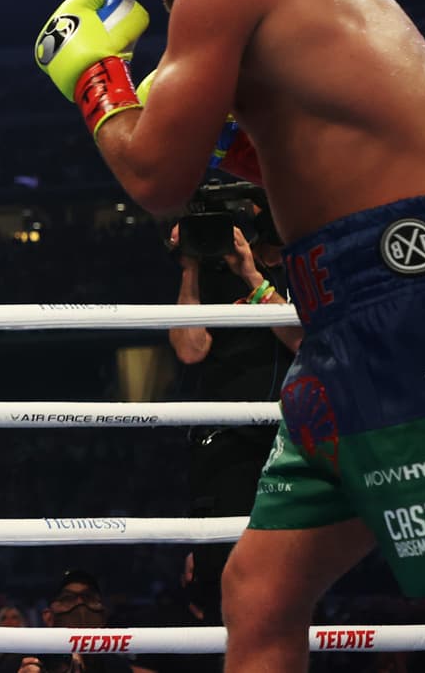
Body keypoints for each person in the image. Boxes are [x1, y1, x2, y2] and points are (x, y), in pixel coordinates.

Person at [32, 0, 425, 672]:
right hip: (344, 309)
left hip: (398, 289)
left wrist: (94, 77)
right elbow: (300, 144)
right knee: (258, 589)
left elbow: (154, 180)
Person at [165, 195, 301, 621]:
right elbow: (189, 350)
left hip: (290, 441)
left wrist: (250, 274)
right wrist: (190, 267)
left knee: (286, 572)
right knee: (218, 576)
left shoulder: (303, 273)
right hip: (224, 443)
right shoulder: (210, 276)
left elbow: (301, 342)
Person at [15, 570, 146, 673]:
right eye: (68, 598)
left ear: (103, 616)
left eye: (88, 597)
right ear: (48, 617)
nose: (80, 603)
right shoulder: (25, 662)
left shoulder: (116, 667)